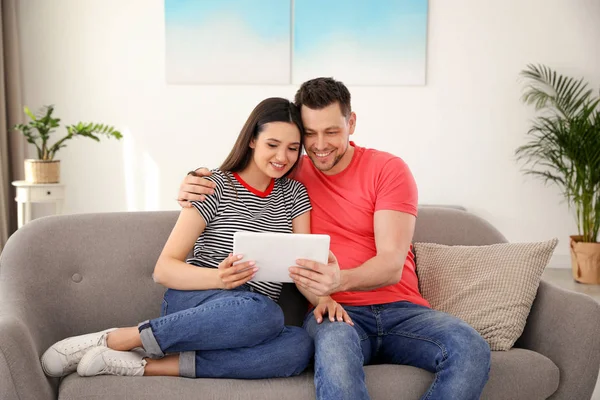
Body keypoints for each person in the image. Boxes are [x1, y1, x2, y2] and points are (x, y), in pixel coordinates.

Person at [178, 78, 491, 399]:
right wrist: (194, 180)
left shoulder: (388, 169)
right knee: (337, 362)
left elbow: (390, 265)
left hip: (403, 311)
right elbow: (244, 177)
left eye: (331, 132)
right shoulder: (289, 173)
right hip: (334, 313)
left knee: (470, 347)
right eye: (310, 134)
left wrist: (337, 280)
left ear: (351, 122)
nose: (320, 145)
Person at [40, 97, 348, 380]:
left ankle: (145, 365)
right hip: (198, 302)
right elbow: (164, 269)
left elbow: (304, 265)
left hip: (247, 324)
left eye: (293, 148)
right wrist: (220, 279)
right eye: (272, 144)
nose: (282, 156)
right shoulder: (211, 185)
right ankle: (118, 338)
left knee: (298, 346)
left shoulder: (294, 195)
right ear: (252, 140)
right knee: (267, 313)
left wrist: (324, 298)